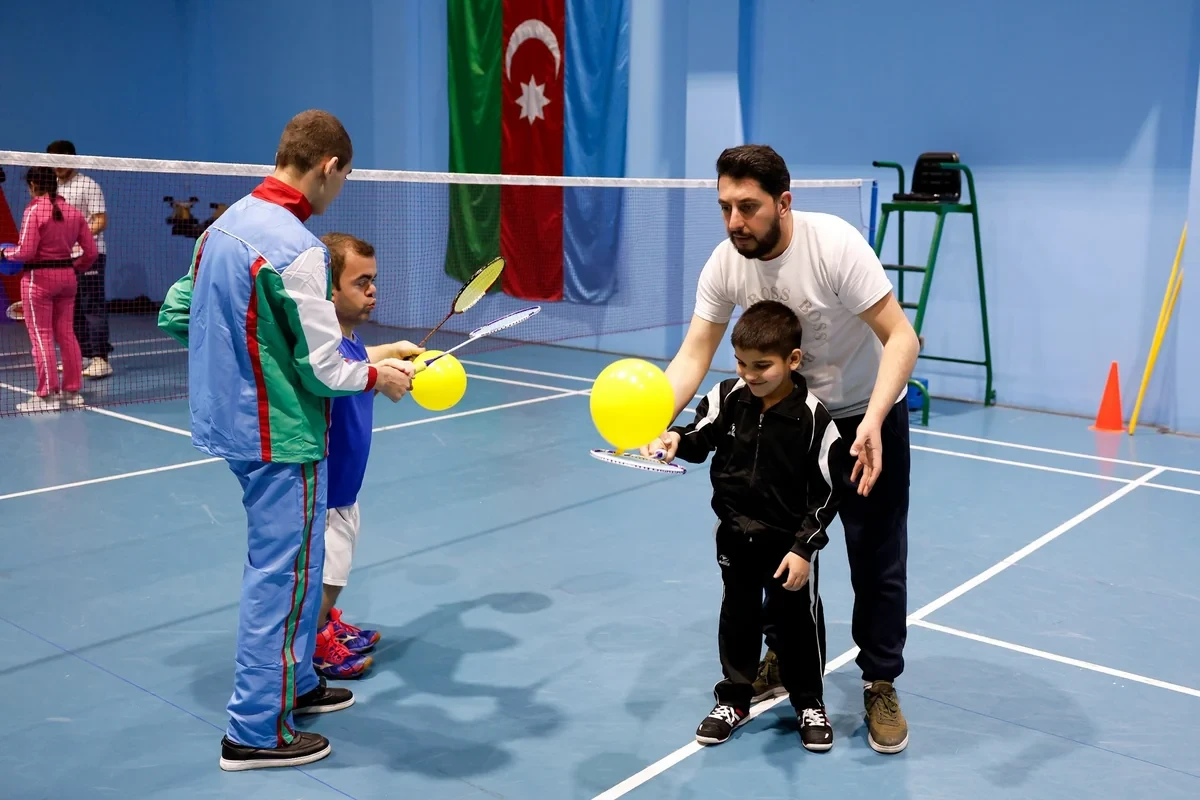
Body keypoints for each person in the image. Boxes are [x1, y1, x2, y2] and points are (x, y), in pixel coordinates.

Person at [157, 110, 416, 771]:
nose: (340, 190)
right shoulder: (298, 248)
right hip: (283, 436)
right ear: (328, 167)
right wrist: (378, 375)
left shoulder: (221, 229)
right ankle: (253, 730)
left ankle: (295, 683)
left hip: (233, 425)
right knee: (283, 578)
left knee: (297, 570)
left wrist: (246, 364)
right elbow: (325, 369)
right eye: (344, 177)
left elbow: (178, 312)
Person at [650, 144, 920, 754]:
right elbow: (695, 352)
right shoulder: (726, 263)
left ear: (784, 202)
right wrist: (652, 420)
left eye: (748, 207)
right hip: (788, 423)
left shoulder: (834, 247)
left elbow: (901, 337)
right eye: (725, 207)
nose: (735, 221)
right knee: (774, 547)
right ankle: (783, 657)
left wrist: (875, 420)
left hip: (864, 413)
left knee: (875, 556)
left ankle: (879, 681)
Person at [650, 301, 844, 751]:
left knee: (796, 622)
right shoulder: (727, 397)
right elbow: (700, 436)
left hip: (788, 545)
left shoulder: (814, 418)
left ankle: (809, 702)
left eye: (761, 366)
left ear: (792, 360)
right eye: (740, 363)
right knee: (738, 616)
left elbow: (828, 491)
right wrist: (675, 438)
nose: (749, 375)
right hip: (735, 534)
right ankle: (734, 699)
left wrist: (804, 548)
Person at [310, 232, 425, 680]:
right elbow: (346, 374)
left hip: (347, 487)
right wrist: (380, 375)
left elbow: (360, 363)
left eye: (373, 280)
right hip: (327, 490)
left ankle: (324, 623)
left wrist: (390, 353)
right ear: (329, 291)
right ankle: (314, 643)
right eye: (361, 283)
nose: (372, 290)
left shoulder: (348, 340)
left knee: (337, 567)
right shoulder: (325, 350)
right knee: (329, 576)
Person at [0, 166, 97, 413]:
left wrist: (4, 252)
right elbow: (92, 252)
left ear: (33, 185)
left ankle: (46, 396)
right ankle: (72, 392)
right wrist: (73, 268)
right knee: (67, 334)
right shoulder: (73, 212)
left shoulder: (34, 210)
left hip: (39, 280)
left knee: (41, 336)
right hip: (67, 279)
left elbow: (25, 252)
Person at [47, 140, 113, 378]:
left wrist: (76, 238)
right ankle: (80, 356)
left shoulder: (88, 184)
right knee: (70, 309)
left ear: (73, 159)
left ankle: (100, 359)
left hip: (90, 254)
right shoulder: (51, 188)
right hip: (63, 258)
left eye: (62, 160)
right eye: (53, 162)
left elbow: (100, 220)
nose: (57, 166)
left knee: (92, 306)